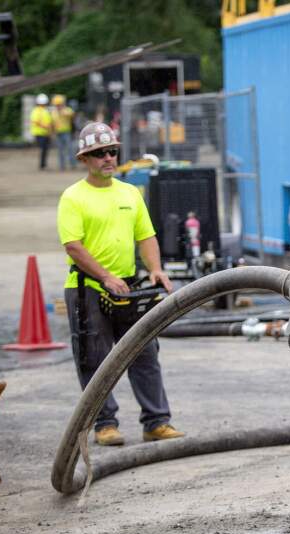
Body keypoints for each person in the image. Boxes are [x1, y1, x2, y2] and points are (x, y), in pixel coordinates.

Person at [57, 121, 185, 446]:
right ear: (85, 158)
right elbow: (73, 246)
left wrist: (155, 269)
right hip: (88, 289)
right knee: (94, 358)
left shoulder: (129, 193)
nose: (108, 158)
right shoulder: (73, 198)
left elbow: (146, 236)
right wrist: (106, 277)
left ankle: (156, 422)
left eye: (112, 151)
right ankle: (104, 425)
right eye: (99, 153)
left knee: (144, 352)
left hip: (128, 288)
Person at [51, 94, 76, 170]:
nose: (57, 106)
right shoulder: (54, 112)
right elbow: (52, 122)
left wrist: (62, 111)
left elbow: (72, 114)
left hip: (66, 132)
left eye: (59, 104)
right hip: (58, 133)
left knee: (70, 148)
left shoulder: (67, 110)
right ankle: (62, 165)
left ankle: (72, 164)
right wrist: (52, 132)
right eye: (56, 105)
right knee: (60, 150)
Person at [30, 93, 52, 170]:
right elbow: (35, 121)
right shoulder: (36, 110)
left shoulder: (45, 110)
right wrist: (45, 127)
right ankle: (42, 165)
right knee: (43, 149)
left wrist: (49, 130)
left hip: (45, 133)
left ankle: (43, 164)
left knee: (45, 149)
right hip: (39, 133)